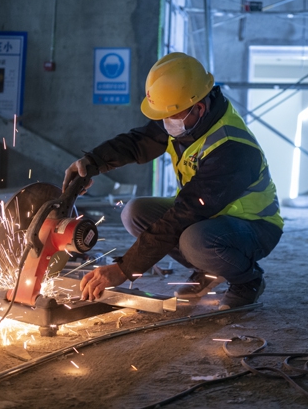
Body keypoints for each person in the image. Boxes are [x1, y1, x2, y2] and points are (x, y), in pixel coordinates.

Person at [64, 52, 283, 310]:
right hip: (210, 217)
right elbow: (136, 143)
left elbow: (184, 214)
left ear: (199, 108)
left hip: (254, 227)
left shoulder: (232, 149)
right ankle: (208, 270)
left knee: (194, 241)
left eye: (170, 116)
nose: (165, 123)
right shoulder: (185, 118)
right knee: (134, 212)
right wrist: (92, 163)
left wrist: (124, 269)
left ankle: (248, 280)